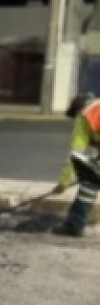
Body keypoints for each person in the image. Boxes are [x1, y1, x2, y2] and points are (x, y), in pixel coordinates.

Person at [52, 92, 100, 237]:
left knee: (89, 184)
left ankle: (74, 225)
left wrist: (63, 183)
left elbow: (75, 155)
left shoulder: (85, 115)